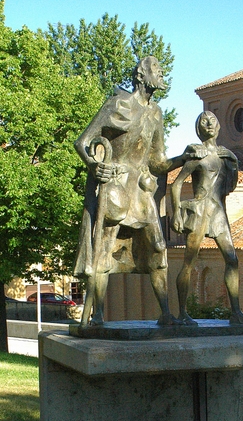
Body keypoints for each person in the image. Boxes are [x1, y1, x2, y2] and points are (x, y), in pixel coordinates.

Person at [74, 55, 189, 326]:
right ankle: (98, 316)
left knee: (159, 247)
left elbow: (157, 162)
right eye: (157, 70)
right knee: (104, 250)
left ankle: (165, 315)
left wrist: (183, 158)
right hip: (114, 185)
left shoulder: (156, 112)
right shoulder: (119, 103)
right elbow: (83, 141)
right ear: (142, 76)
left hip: (140, 189)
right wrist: (94, 166)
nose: (162, 75)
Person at [171, 110, 243, 326]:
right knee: (189, 262)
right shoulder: (196, 154)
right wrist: (177, 213)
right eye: (204, 121)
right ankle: (182, 313)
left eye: (213, 121)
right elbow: (177, 183)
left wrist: (234, 162)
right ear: (199, 129)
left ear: (218, 127)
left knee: (232, 260)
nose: (209, 124)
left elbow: (230, 185)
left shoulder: (226, 156)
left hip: (218, 212)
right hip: (199, 211)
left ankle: (236, 312)